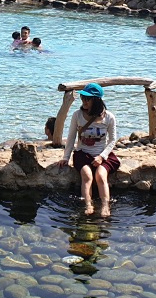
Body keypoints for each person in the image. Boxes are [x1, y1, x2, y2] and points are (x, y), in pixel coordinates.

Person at [57, 83, 120, 216]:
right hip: (82, 154)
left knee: (101, 176)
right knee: (87, 176)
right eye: (83, 97)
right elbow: (71, 137)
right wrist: (66, 157)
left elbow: (113, 140)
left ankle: (105, 206)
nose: (84, 101)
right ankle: (88, 205)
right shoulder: (77, 115)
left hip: (102, 154)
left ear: (96, 100)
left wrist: (102, 156)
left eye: (88, 99)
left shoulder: (109, 117)